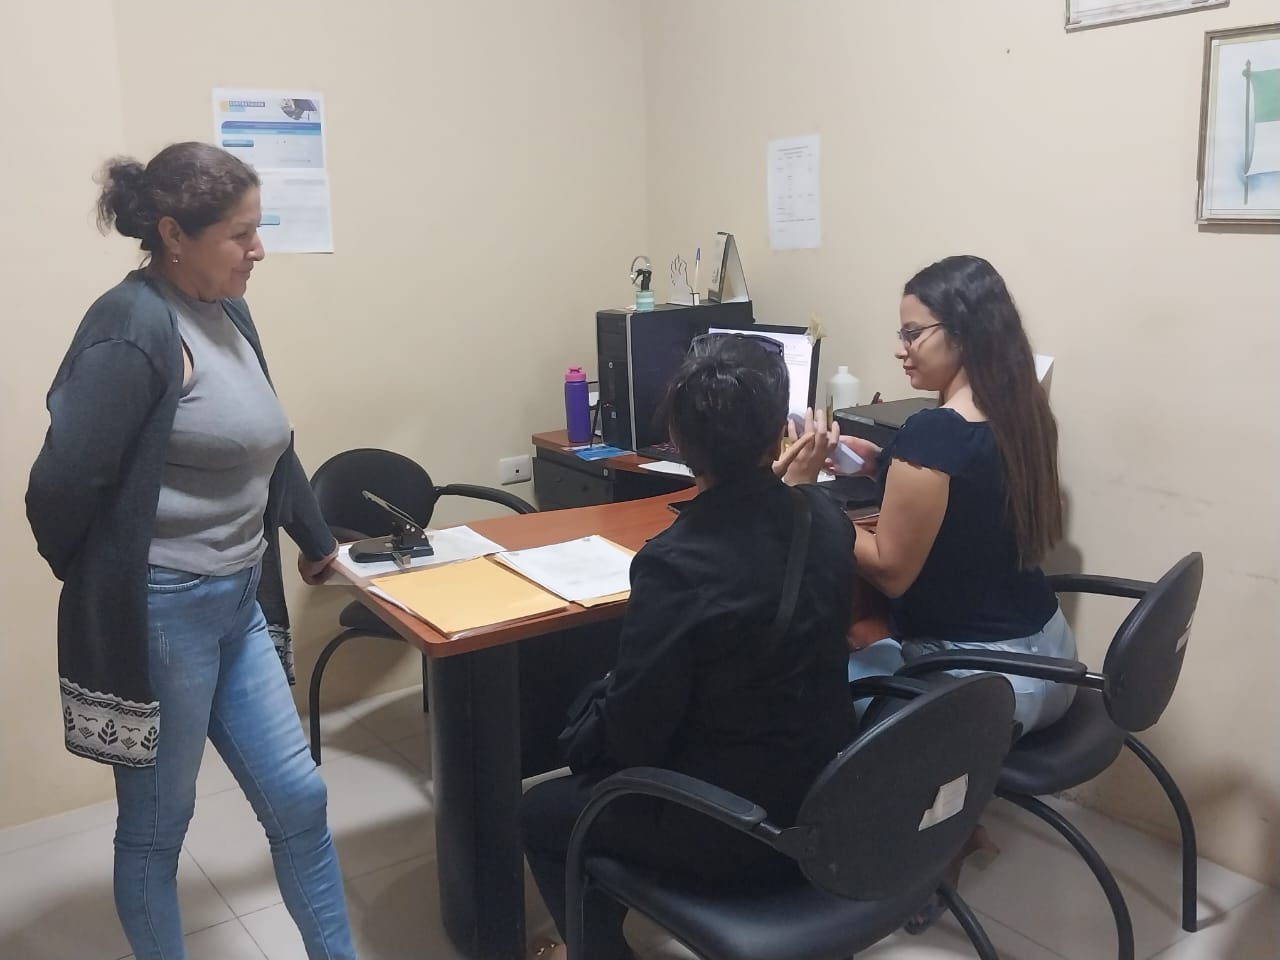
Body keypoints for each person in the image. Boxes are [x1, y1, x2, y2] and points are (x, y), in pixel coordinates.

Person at [26, 142, 355, 960]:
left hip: (237, 603)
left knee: (299, 798)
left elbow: (271, 441)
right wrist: (103, 581)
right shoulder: (132, 325)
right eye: (240, 234)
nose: (258, 250)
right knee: (157, 826)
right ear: (174, 234)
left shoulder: (228, 311)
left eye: (257, 229)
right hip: (163, 613)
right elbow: (58, 487)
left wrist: (317, 541)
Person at [521, 334, 857, 960]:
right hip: (829, 795)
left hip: (734, 823)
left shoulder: (676, 563)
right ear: (777, 437)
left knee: (541, 814)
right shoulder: (830, 522)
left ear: (677, 442)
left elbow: (633, 737)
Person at [790, 254, 1075, 930]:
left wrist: (808, 497)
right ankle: (954, 822)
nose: (900, 348)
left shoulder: (935, 433)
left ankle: (903, 853)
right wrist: (874, 462)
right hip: (1051, 661)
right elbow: (962, 487)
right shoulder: (1023, 413)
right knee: (863, 639)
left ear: (964, 332)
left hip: (985, 687)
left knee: (807, 689)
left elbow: (890, 570)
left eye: (913, 333)